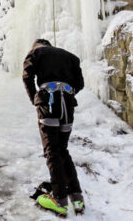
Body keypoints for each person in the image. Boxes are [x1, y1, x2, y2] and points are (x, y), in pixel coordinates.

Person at [22, 39, 85, 217]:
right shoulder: (71, 57)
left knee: (52, 152)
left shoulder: (35, 52)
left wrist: (35, 98)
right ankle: (77, 197)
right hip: (68, 106)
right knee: (63, 150)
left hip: (48, 104)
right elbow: (79, 84)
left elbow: (26, 76)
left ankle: (59, 199)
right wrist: (65, 92)